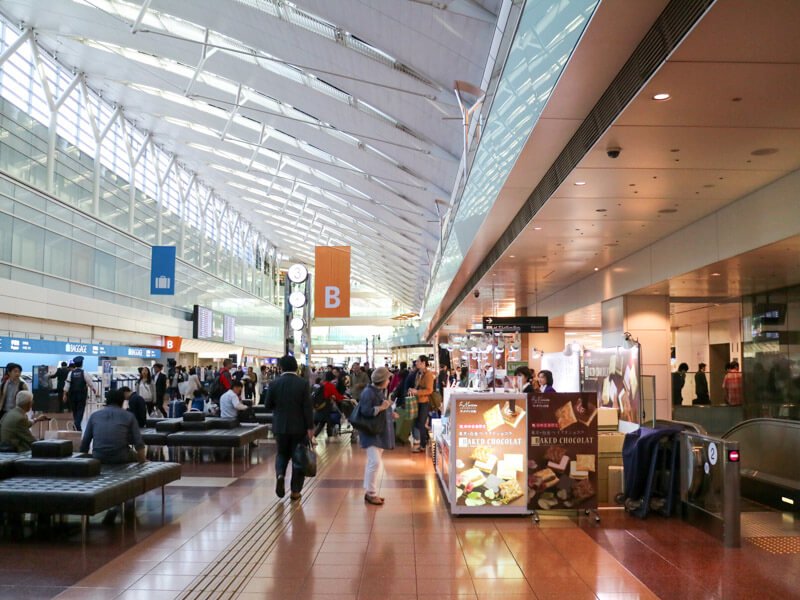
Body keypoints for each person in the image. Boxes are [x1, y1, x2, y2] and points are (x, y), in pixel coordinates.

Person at [264, 355, 313, 501]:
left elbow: (267, 405)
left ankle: (280, 475)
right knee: (298, 458)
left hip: (280, 426)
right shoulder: (303, 383)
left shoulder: (274, 383)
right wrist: (310, 427)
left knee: (282, 454)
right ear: (296, 367)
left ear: (281, 367)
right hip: (299, 427)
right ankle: (295, 491)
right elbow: (307, 408)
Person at [359, 367, 397, 506]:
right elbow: (366, 411)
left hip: (376, 431)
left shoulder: (376, 391)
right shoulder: (369, 393)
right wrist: (382, 407)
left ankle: (370, 490)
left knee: (372, 462)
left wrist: (388, 411)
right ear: (382, 380)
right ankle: (371, 493)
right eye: (387, 379)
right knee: (375, 462)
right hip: (371, 432)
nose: (388, 381)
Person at [80, 388, 145, 464]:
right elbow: (139, 443)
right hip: (121, 457)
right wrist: (143, 461)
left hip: (98, 456)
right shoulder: (129, 416)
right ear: (122, 401)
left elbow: (85, 442)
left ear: (107, 401)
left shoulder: (94, 416)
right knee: (135, 455)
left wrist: (82, 462)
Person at [408, 355, 434, 454]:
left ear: (424, 363)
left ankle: (423, 445)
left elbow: (429, 390)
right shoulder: (418, 373)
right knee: (417, 423)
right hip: (417, 401)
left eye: (418, 361)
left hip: (424, 402)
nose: (416, 363)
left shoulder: (428, 375)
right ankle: (425, 441)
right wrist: (413, 390)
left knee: (421, 423)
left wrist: (417, 392)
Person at [62, 356, 96, 431]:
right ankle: (77, 424)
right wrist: (94, 390)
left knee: (75, 410)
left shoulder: (71, 373)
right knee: (80, 410)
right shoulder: (84, 373)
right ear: (82, 364)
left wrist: (64, 394)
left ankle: (77, 426)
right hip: (81, 394)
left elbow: (67, 384)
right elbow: (90, 383)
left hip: (72, 395)